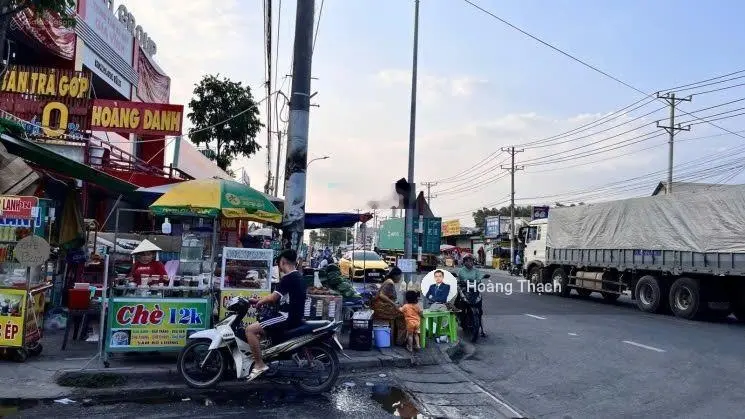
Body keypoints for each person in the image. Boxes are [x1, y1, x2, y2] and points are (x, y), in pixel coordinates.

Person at [245, 249, 307, 381]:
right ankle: (266, 359)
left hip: (286, 317)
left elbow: (273, 298)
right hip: (293, 316)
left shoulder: (288, 278)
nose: (279, 266)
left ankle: (259, 364)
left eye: (279, 263)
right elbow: (278, 297)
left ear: (283, 261)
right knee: (261, 333)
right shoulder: (298, 277)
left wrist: (259, 303)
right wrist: (259, 300)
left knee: (250, 330)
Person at [371, 267, 407, 346]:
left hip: (382, 306)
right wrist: (394, 304)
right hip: (381, 308)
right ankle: (399, 341)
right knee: (403, 315)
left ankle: (397, 339)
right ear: (395, 276)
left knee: (401, 312)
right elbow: (381, 295)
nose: (400, 279)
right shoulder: (390, 282)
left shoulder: (389, 281)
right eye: (399, 277)